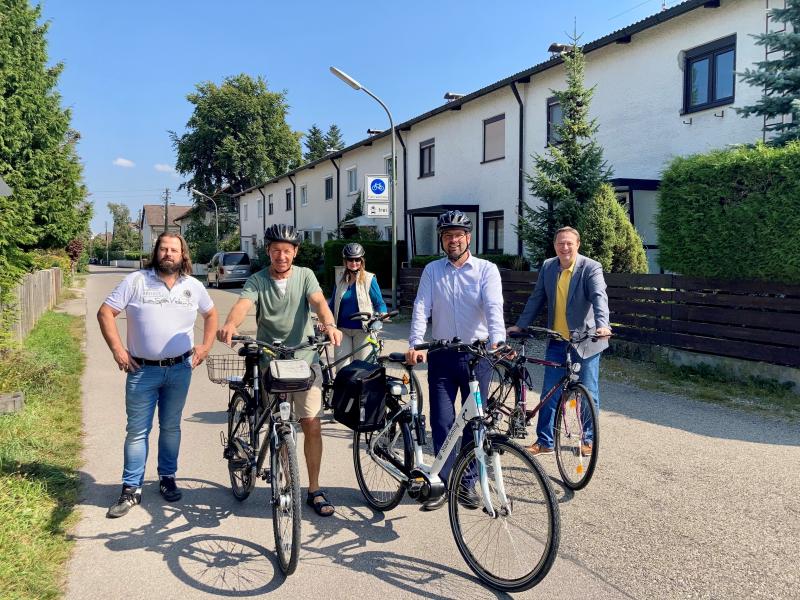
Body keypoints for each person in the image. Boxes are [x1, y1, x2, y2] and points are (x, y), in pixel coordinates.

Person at [217, 224, 343, 517]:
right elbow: (243, 304)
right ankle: (287, 483)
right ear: (268, 252)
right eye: (276, 250)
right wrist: (231, 324)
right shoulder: (258, 280)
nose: (281, 256)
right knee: (277, 422)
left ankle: (313, 488)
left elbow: (319, 303)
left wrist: (331, 324)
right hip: (271, 360)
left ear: (295, 252)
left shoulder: (305, 276)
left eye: (287, 251)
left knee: (311, 421)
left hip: (304, 358)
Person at [98, 232, 218, 518]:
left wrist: (206, 346)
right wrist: (118, 349)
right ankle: (131, 488)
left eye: (174, 250)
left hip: (180, 369)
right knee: (138, 430)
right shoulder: (136, 281)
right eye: (163, 249)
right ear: (156, 252)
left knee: (171, 427)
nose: (168, 253)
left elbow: (211, 315)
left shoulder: (193, 285)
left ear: (182, 254)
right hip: (142, 371)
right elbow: (105, 313)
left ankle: (167, 478)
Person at [406, 210, 505, 511]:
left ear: (468, 237)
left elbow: (493, 305)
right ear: (442, 240)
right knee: (443, 422)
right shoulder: (433, 270)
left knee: (476, 422)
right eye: (447, 235)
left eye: (458, 235)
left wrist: (497, 339)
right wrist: (415, 343)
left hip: (478, 357)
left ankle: (467, 484)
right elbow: (421, 307)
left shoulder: (486, 269)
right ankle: (441, 482)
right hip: (441, 356)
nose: (453, 240)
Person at [507, 226, 611, 456]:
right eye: (560, 243)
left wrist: (603, 324)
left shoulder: (590, 267)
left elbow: (598, 297)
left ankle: (588, 439)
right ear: (555, 246)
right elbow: (537, 297)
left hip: (586, 340)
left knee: (588, 391)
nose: (565, 247)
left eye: (569, 243)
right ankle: (544, 441)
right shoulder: (548, 266)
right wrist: (521, 325)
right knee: (549, 392)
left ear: (578, 245)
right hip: (557, 339)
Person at [327, 242, 387, 365]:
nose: (354, 263)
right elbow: (332, 305)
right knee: (341, 367)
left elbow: (379, 303)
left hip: (363, 330)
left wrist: (382, 315)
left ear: (362, 261)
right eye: (350, 259)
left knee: (363, 368)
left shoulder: (369, 279)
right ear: (345, 261)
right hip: (342, 330)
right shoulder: (339, 281)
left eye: (357, 259)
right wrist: (325, 322)